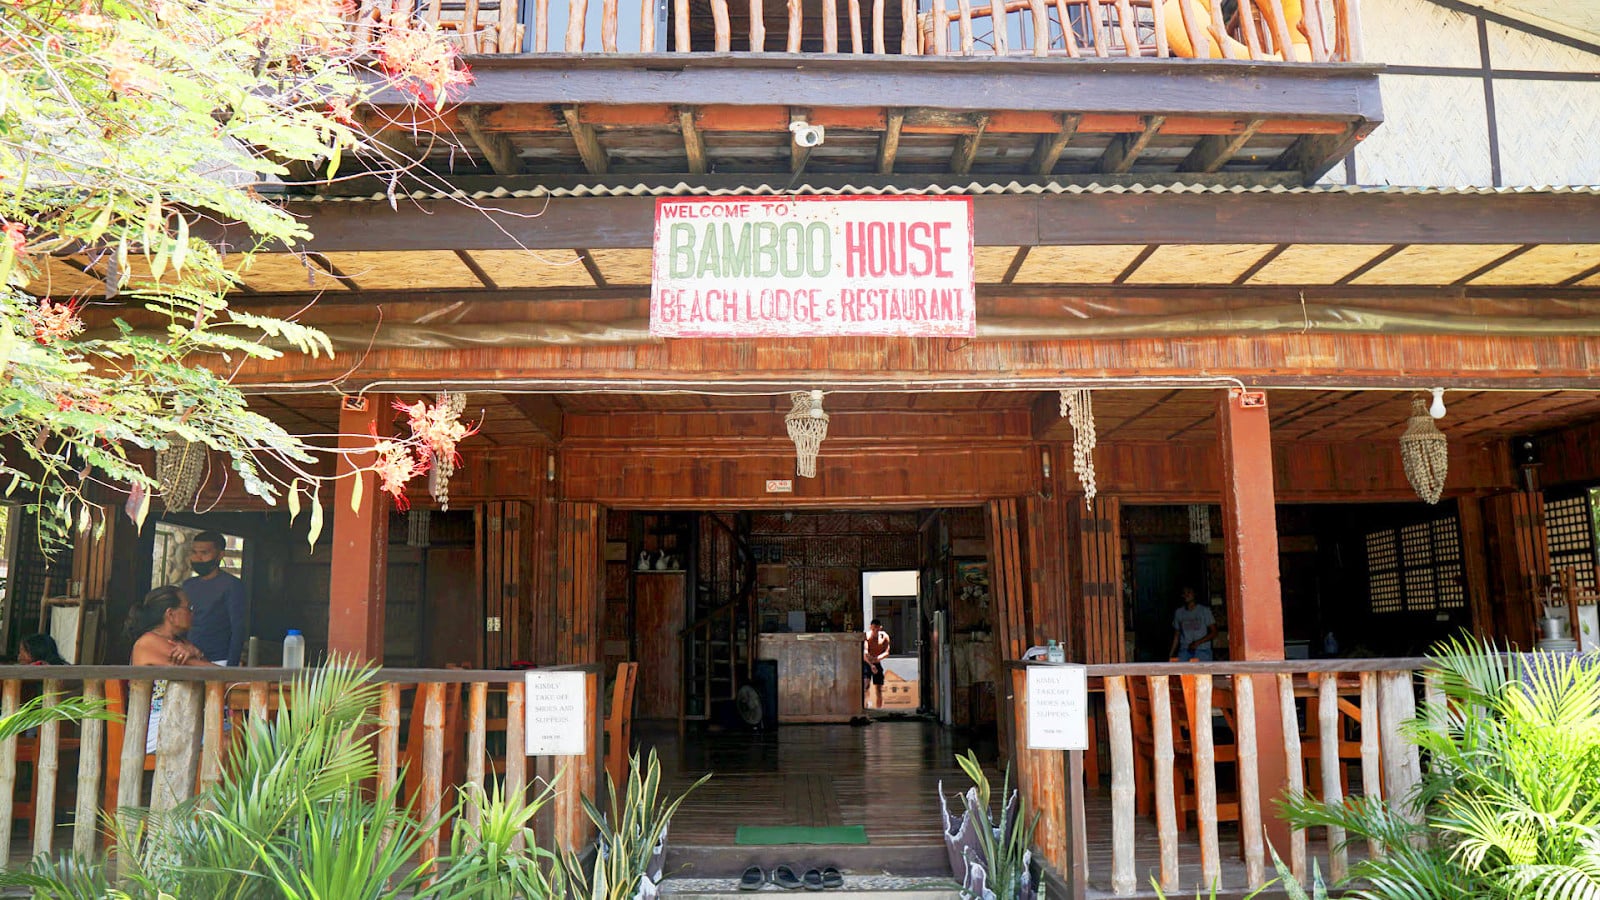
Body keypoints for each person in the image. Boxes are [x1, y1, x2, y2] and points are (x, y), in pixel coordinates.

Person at [127, 586, 217, 753]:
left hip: (179, 719)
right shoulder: (150, 642)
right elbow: (209, 671)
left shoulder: (180, 643)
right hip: (156, 726)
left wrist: (196, 652)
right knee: (227, 739)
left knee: (232, 735)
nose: (192, 613)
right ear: (170, 614)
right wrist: (195, 654)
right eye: (188, 608)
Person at [182, 530, 247, 666]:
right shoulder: (188, 585)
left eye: (204, 553)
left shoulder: (231, 585)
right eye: (194, 552)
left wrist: (231, 666)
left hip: (219, 660)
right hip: (189, 658)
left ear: (220, 555)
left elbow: (238, 629)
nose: (198, 558)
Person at [1169, 587, 1217, 662]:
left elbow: (1214, 632)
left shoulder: (1204, 611)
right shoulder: (1179, 612)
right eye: (1184, 593)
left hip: (1203, 650)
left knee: (1201, 673)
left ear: (1194, 594)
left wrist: (1197, 643)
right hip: (1185, 650)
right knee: (1182, 672)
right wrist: (1171, 654)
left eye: (1189, 592)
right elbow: (1176, 635)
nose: (1186, 595)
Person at [862, 619, 890, 710]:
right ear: (871, 628)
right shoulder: (867, 636)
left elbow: (887, 652)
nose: (875, 632)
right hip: (867, 662)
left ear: (880, 628)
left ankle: (879, 709)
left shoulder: (884, 636)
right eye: (874, 629)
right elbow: (865, 653)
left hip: (876, 662)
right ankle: (865, 707)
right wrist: (871, 664)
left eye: (877, 630)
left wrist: (877, 659)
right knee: (866, 685)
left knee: (878, 689)